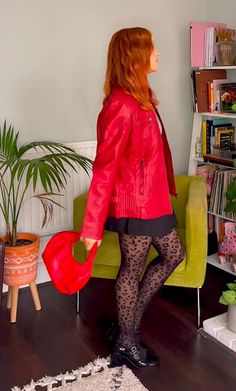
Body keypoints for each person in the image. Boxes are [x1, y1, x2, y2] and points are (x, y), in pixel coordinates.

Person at [80, 27, 184, 368]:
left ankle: (129, 323)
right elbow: (104, 167)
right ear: (135, 55)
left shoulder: (142, 96)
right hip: (135, 203)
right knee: (132, 268)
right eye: (152, 47)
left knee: (173, 255)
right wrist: (92, 226)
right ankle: (125, 342)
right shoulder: (120, 104)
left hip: (153, 200)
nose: (157, 53)